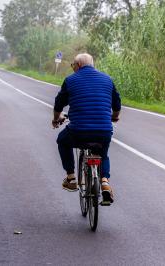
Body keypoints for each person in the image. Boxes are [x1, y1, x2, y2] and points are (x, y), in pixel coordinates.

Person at [52, 53, 121, 204]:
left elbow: (59, 104)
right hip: (103, 131)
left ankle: (71, 178)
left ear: (78, 65)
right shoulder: (107, 79)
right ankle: (104, 183)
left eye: (73, 66)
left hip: (78, 132)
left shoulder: (70, 80)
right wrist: (115, 117)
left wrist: (56, 118)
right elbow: (117, 104)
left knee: (62, 141)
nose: (73, 69)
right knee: (103, 154)